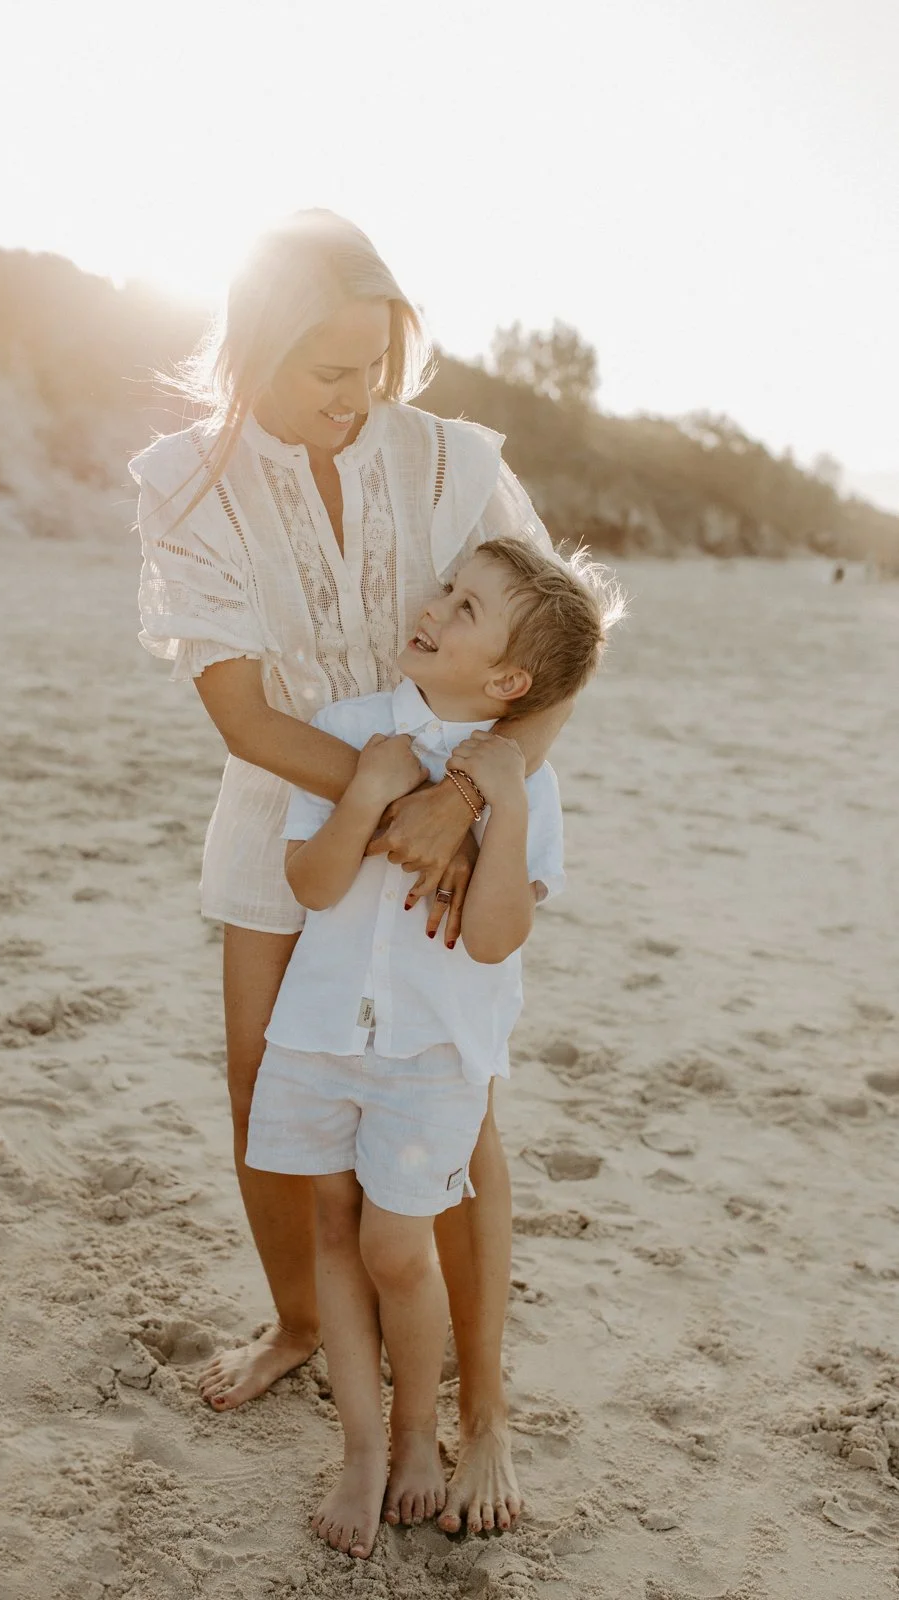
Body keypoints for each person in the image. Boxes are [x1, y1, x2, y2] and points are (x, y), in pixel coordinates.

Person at [130, 209, 574, 1534]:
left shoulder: (449, 461)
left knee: (451, 1111)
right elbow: (250, 721)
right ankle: (294, 1327)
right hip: (294, 814)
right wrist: (393, 802)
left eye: (374, 362)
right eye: (327, 366)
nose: (358, 394)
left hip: (454, 821)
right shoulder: (183, 484)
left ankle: (481, 1413)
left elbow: (555, 655)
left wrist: (469, 795)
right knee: (267, 1080)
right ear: (252, 349)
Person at [246, 538, 622, 1558]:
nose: (431, 609)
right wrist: (368, 790)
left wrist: (492, 806)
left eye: (463, 609)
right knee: (333, 1224)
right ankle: (360, 1447)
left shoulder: (525, 786)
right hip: (320, 1034)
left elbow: (497, 934)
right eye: (444, 591)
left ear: (507, 681)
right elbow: (314, 884)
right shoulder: (352, 729)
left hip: (433, 1056)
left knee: (396, 1249)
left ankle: (419, 1433)